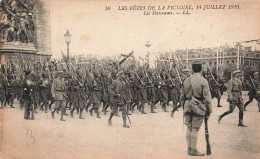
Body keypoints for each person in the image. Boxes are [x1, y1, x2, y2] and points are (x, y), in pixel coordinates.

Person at [179, 61, 212, 156]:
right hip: (198, 106)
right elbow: (207, 98)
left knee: (189, 128)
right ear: (201, 69)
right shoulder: (203, 81)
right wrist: (209, 110)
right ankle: (193, 149)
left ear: (192, 69)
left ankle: (189, 148)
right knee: (195, 129)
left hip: (187, 104)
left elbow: (182, 96)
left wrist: (183, 106)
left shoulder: (186, 80)